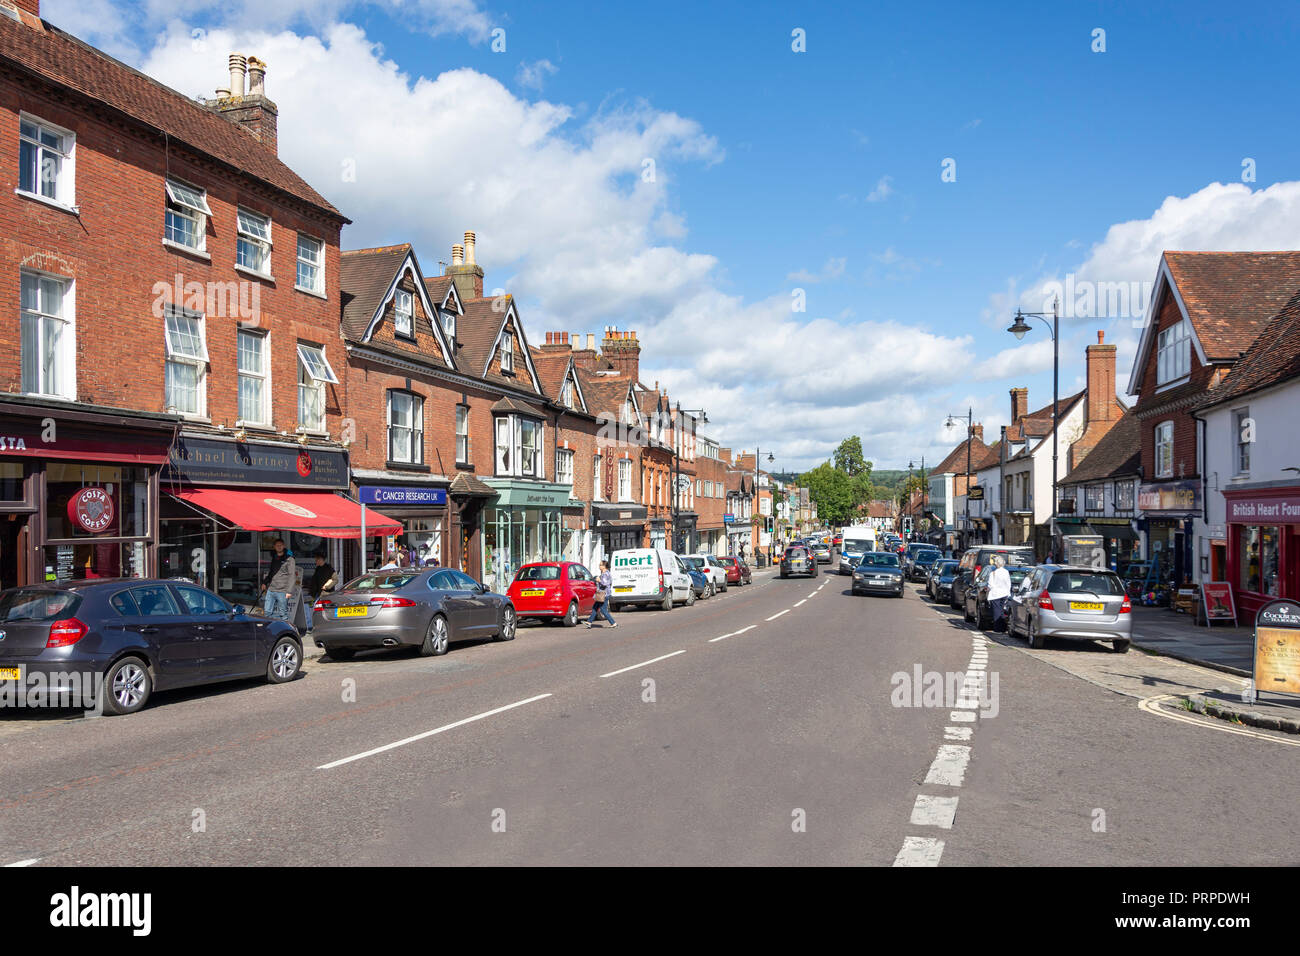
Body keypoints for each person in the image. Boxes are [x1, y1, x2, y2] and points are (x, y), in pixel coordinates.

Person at [261, 539, 296, 621]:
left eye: (281, 545)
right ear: (274, 547)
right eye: (277, 545)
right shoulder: (274, 558)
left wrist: (289, 591)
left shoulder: (290, 559)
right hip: (271, 589)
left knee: (282, 614)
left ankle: (285, 631)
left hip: (283, 591)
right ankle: (269, 631)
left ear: (283, 546)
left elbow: (292, 576)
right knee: (267, 613)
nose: (279, 547)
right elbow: (271, 573)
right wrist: (264, 583)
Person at [585, 560, 617, 628]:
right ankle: (589, 622)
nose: (599, 566)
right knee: (595, 607)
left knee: (603, 610)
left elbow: (605, 583)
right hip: (602, 594)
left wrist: (599, 580)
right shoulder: (606, 573)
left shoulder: (605, 574)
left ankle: (613, 623)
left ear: (604, 566)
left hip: (603, 594)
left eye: (600, 565)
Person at [987, 554, 1012, 633]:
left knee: (996, 612)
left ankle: (998, 628)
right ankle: (1003, 628)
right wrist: (1008, 593)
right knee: (1002, 611)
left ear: (996, 563)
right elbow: (1008, 583)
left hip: (995, 594)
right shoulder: (1006, 572)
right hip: (1004, 593)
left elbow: (990, 585)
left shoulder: (993, 573)